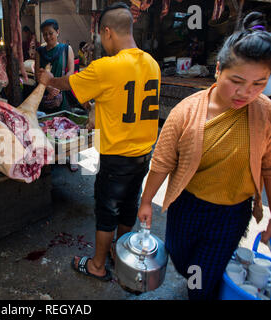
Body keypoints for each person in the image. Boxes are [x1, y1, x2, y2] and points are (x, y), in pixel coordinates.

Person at [137, 12, 271, 300]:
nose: (246, 92)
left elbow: (269, 167)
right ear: (218, 69)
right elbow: (162, 162)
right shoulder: (186, 111)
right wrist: (147, 200)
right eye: (237, 81)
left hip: (232, 213)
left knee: (200, 281)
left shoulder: (265, 112)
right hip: (188, 205)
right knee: (181, 258)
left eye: (259, 84)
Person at [39, 2, 161, 281]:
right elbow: (116, 98)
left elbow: (69, 83)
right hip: (143, 156)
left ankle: (96, 265)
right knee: (129, 207)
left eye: (100, 36)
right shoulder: (151, 63)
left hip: (116, 158)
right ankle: (120, 254)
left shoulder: (106, 66)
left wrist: (47, 78)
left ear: (107, 32)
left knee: (106, 210)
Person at [35, 19, 75, 114]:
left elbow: (71, 73)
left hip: (62, 95)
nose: (48, 37)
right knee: (46, 124)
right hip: (44, 94)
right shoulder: (39, 51)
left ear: (57, 32)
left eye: (50, 33)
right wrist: (49, 88)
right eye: (45, 34)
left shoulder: (66, 49)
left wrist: (58, 87)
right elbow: (37, 75)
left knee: (62, 124)